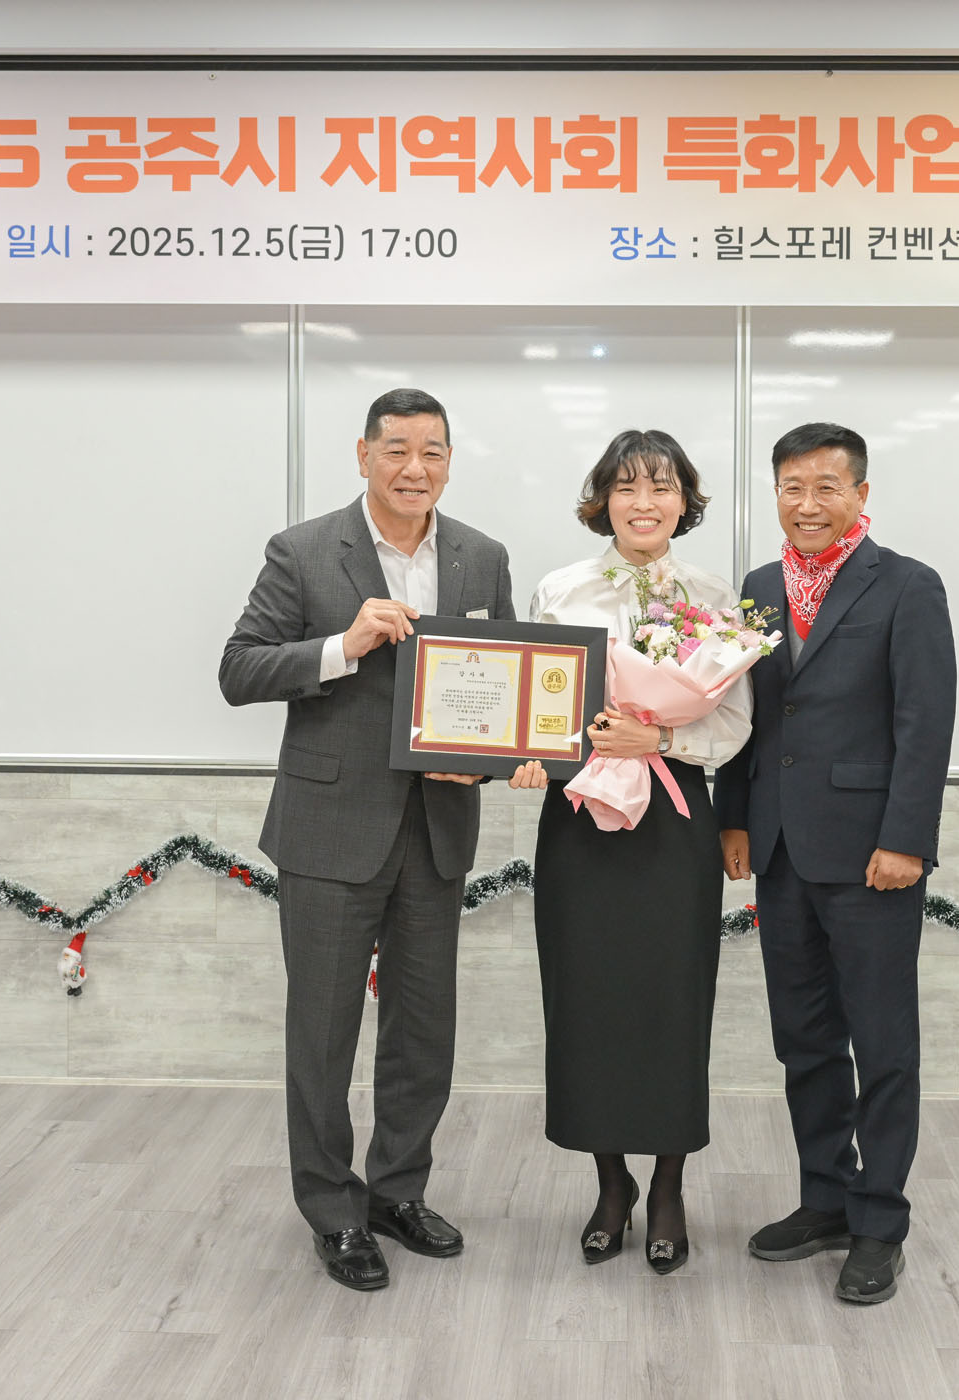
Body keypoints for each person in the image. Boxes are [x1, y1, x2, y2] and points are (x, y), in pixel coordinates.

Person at [219, 387, 515, 1292]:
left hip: (436, 831)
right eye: (396, 450)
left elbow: (504, 693)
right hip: (329, 829)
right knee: (322, 1032)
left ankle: (397, 1192)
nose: (414, 468)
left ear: (450, 461)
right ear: (363, 455)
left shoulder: (481, 557)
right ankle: (333, 1211)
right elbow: (238, 669)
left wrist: (486, 765)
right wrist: (341, 646)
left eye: (432, 451)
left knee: (424, 1032)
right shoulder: (304, 550)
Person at [713, 421, 957, 1306]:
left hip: (871, 854)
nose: (808, 504)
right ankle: (824, 1199)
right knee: (805, 1039)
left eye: (826, 487)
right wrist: (733, 820)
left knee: (882, 1042)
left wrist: (907, 839)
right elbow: (745, 715)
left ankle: (879, 1221)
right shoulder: (758, 587)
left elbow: (925, 723)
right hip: (780, 846)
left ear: (860, 494)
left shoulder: (908, 585)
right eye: (792, 488)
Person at [508, 429, 752, 1276]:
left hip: (675, 820)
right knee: (587, 1000)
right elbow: (535, 706)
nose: (643, 503)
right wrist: (536, 751)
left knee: (673, 1002)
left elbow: (735, 722)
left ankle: (670, 1185)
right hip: (581, 820)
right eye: (625, 487)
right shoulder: (560, 590)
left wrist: (662, 736)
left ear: (685, 501)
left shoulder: (715, 597)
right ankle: (611, 1184)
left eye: (661, 487)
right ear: (602, 501)